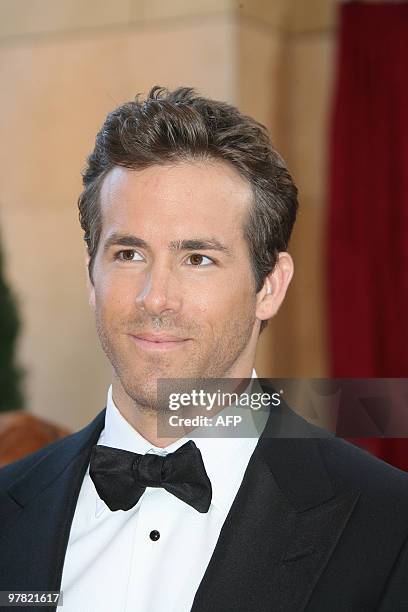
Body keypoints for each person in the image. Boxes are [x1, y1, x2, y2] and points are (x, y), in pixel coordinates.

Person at [1, 86, 408, 612]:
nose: (156, 298)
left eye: (198, 258)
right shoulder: (10, 509)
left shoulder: (388, 526)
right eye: (128, 253)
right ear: (90, 274)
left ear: (270, 287)